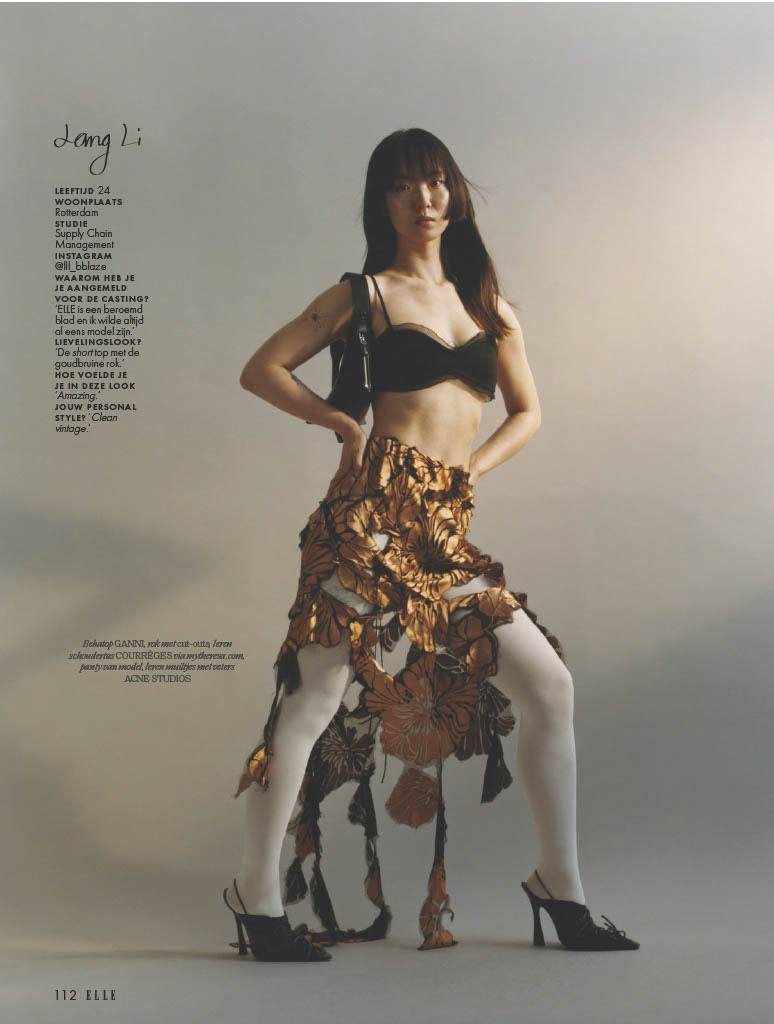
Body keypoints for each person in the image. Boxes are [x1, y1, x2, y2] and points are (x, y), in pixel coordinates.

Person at [223, 128, 640, 962]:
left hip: (443, 532)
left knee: (548, 687)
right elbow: (262, 367)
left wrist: (471, 471)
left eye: (438, 181)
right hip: (367, 520)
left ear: (456, 193)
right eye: (405, 185)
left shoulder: (488, 304)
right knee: (309, 702)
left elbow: (528, 411)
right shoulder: (366, 294)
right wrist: (343, 424)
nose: (425, 198)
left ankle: (561, 888)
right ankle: (257, 901)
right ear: (382, 202)